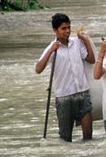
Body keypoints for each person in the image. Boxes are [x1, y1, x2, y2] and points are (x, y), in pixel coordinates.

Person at [35, 13, 94, 142]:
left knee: (88, 135)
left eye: (69, 27)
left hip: (83, 93)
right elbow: (38, 69)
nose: (67, 31)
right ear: (55, 30)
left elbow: (91, 59)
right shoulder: (52, 48)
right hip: (64, 97)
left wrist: (86, 41)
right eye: (63, 28)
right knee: (66, 138)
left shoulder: (77, 43)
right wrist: (50, 51)